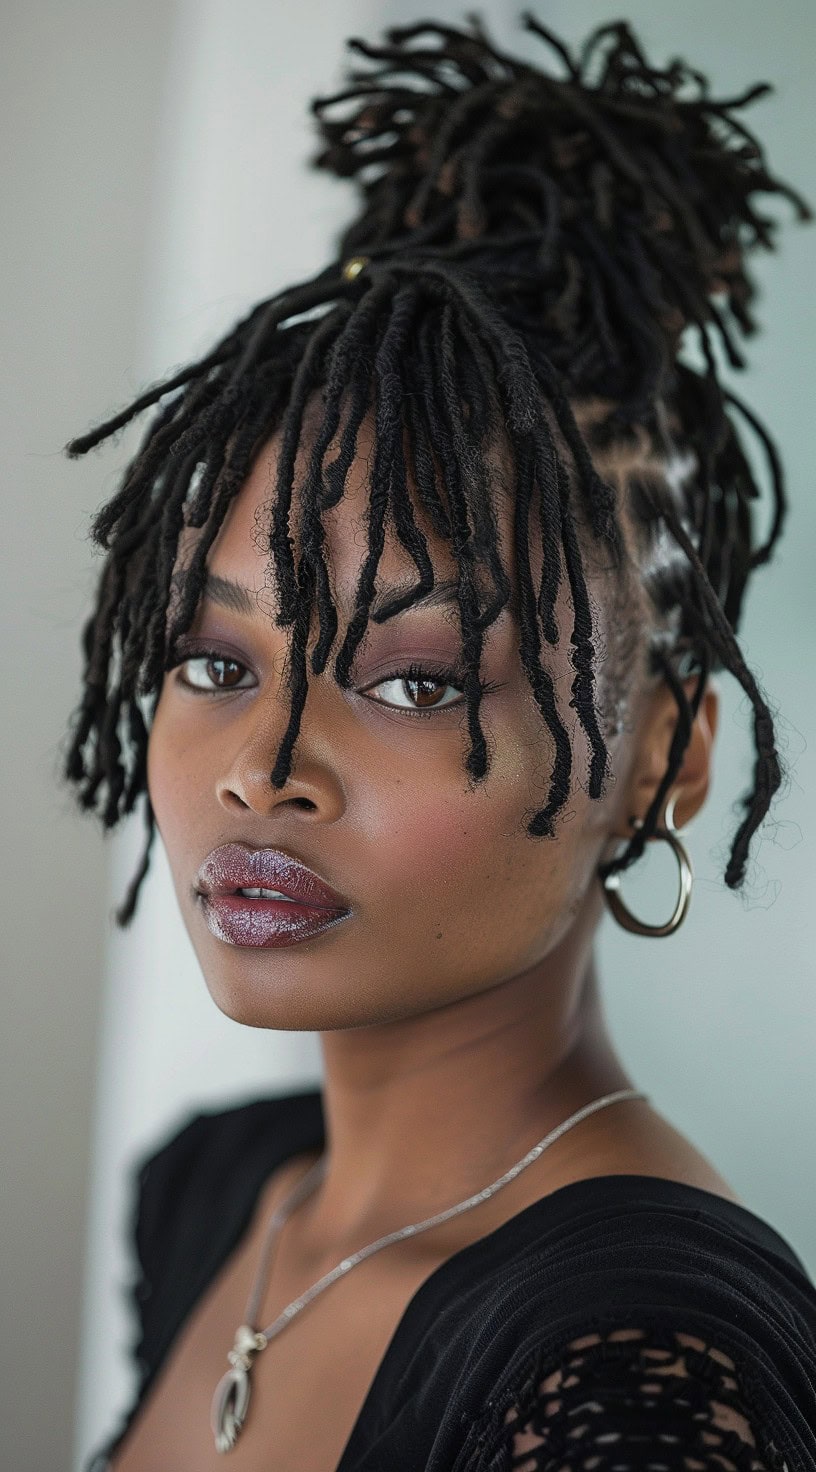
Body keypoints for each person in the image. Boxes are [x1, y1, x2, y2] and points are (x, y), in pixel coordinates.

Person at [65, 15, 816, 1472]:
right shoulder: (221, 1194)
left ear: (661, 764)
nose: (258, 767)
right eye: (216, 660)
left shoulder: (644, 1369)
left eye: (413, 683)